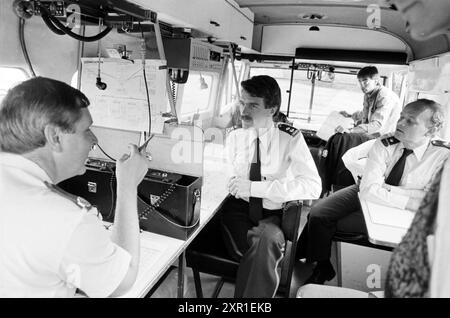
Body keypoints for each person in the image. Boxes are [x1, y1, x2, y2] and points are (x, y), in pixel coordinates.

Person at [0, 77, 150, 297]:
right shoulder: (63, 218)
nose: (94, 139)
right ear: (55, 137)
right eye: (86, 130)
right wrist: (127, 186)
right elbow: (120, 282)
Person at [297, 99, 449, 286]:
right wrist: (409, 199)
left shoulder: (442, 155)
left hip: (399, 207)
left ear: (431, 130)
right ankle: (322, 265)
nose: (400, 123)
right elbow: (368, 190)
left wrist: (388, 190)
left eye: (410, 121)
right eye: (401, 117)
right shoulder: (385, 143)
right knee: (319, 213)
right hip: (379, 194)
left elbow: (432, 198)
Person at [222, 75, 321, 297]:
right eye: (242, 103)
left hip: (271, 214)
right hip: (237, 210)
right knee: (259, 247)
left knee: (265, 241)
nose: (244, 111)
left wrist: (254, 188)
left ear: (272, 109)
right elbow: (225, 171)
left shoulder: (290, 139)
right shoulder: (234, 137)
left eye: (253, 105)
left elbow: (313, 186)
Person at [337, 66, 401, 137]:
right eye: (360, 82)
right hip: (372, 134)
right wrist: (350, 115)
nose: (362, 86)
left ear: (376, 81)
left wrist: (351, 131)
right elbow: (366, 113)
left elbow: (377, 124)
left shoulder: (385, 96)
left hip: (384, 136)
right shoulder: (368, 94)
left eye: (365, 82)